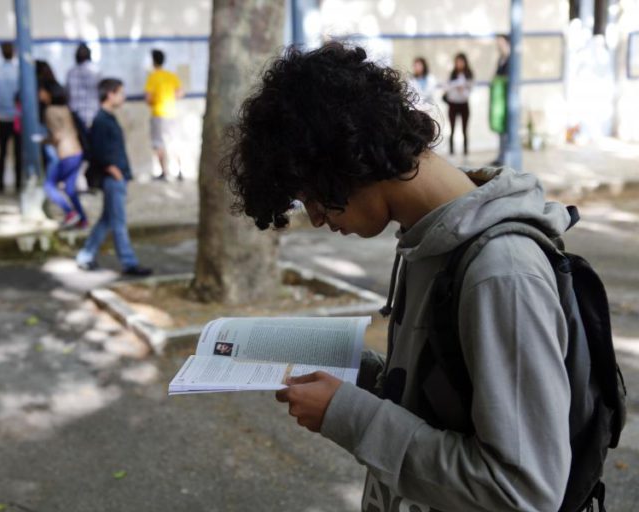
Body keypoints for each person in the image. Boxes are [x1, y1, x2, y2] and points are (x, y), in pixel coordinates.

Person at [223, 43, 571, 511]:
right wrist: (362, 375)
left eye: (312, 198)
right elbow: (442, 399)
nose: (319, 218)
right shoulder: (428, 239)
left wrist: (348, 414)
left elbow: (525, 490)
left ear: (346, 159)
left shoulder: (501, 274)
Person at [76, 78, 152, 277]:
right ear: (110, 94)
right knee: (118, 222)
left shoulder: (107, 117)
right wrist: (114, 170)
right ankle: (129, 262)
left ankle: (85, 255)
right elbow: (99, 150)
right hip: (112, 178)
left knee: (107, 220)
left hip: (117, 176)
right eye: (120, 92)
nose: (123, 97)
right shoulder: (101, 120)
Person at [39, 68, 87, 229]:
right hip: (77, 151)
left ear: (48, 93)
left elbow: (57, 136)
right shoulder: (65, 108)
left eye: (42, 91)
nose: (40, 95)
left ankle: (69, 212)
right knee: (70, 189)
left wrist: (44, 140)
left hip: (65, 153)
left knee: (49, 186)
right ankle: (83, 219)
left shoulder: (50, 111)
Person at [144, 49, 184, 180]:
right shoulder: (171, 75)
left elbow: (148, 99)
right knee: (174, 142)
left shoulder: (152, 77)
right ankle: (179, 172)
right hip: (172, 113)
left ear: (153, 61)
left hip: (158, 114)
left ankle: (164, 173)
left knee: (158, 143)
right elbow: (180, 93)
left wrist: (157, 100)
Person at [0, 41, 21, 194]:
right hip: (16, 117)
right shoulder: (18, 71)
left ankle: (1, 184)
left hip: (2, 116)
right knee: (18, 153)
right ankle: (18, 184)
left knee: (2, 152)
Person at [444, 52, 473, 156]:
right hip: (453, 104)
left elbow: (468, 93)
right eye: (457, 62)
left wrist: (462, 89)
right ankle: (451, 152)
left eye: (461, 61)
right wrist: (453, 85)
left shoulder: (469, 75)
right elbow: (446, 88)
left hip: (464, 104)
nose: (459, 64)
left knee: (464, 129)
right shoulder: (452, 75)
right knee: (452, 129)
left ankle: (465, 152)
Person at [66, 43, 101, 129]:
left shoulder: (71, 72)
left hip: (75, 114)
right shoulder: (95, 71)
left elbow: (68, 93)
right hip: (93, 112)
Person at [490, 35, 511, 166]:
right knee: (501, 130)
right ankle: (501, 156)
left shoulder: (511, 60)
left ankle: (505, 157)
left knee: (506, 130)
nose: (499, 46)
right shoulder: (501, 59)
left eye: (501, 43)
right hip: (499, 101)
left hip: (507, 100)